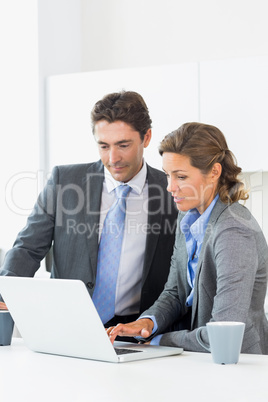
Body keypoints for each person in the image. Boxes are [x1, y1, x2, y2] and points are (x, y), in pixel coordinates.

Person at [0, 91, 178, 333]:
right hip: (67, 325)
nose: (113, 158)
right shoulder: (65, 182)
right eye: (103, 146)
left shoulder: (172, 192)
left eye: (123, 145)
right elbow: (28, 248)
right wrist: (6, 292)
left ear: (146, 138)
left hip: (136, 333)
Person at [107, 122, 268, 354]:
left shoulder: (233, 231)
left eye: (181, 176)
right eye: (167, 175)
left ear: (214, 172)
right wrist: (147, 323)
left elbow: (222, 333)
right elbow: (175, 292)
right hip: (199, 359)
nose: (170, 187)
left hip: (237, 363)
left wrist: (160, 341)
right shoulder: (188, 216)